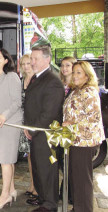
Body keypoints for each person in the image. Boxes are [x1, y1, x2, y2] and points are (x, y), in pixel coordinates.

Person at [24, 45, 65, 212]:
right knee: (38, 168)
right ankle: (43, 199)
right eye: (31, 58)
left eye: (35, 59)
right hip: (36, 133)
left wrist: (31, 129)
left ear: (47, 60)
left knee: (47, 170)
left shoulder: (53, 81)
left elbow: (49, 113)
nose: (32, 62)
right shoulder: (37, 77)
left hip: (46, 135)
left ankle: (49, 205)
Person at [63, 61, 105, 212]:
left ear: (87, 75)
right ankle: (78, 207)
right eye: (74, 72)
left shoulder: (89, 91)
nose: (74, 75)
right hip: (75, 140)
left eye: (78, 72)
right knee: (76, 178)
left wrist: (70, 124)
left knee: (82, 179)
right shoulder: (76, 90)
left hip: (85, 142)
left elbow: (93, 118)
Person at [0, 48, 22, 209]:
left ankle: (5, 195)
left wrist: (4, 116)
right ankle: (12, 189)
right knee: (6, 159)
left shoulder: (12, 76)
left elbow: (17, 102)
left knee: (5, 161)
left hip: (8, 123)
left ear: (6, 60)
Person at [18, 54, 37, 198]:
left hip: (35, 123)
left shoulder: (37, 80)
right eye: (23, 63)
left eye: (28, 63)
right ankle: (32, 183)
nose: (26, 66)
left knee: (37, 156)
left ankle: (38, 186)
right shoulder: (21, 80)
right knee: (30, 156)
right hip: (23, 122)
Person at [58, 56, 77, 203]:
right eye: (62, 65)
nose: (64, 68)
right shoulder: (59, 84)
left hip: (72, 130)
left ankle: (70, 194)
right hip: (59, 128)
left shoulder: (77, 86)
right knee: (62, 162)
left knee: (71, 163)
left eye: (68, 65)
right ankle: (65, 191)